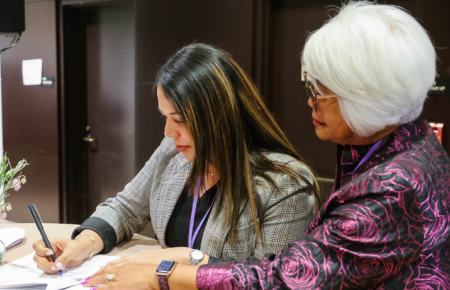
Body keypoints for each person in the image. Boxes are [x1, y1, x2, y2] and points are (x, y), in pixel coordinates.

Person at [83, 2, 450, 289]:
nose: (310, 100)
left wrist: (168, 271)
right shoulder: (402, 145)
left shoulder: (392, 185)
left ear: (368, 96)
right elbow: (128, 206)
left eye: (319, 90)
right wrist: (86, 239)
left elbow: (286, 278)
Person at [32, 43, 320, 275]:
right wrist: (84, 243)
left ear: (221, 117)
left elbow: (269, 279)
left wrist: (181, 263)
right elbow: (125, 208)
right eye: (165, 117)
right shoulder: (174, 153)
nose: (169, 132)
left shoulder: (285, 186)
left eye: (180, 119)